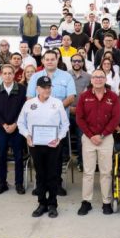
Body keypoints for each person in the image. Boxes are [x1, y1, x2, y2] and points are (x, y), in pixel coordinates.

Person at [18, 75, 70, 218]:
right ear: (37, 89)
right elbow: (20, 123)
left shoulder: (57, 103)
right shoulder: (29, 104)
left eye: (49, 87)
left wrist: (59, 138)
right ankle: (42, 203)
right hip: (35, 144)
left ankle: (53, 204)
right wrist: (27, 135)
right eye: (44, 87)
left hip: (53, 145)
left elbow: (65, 124)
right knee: (40, 174)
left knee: (52, 175)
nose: (47, 90)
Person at [75, 69, 120, 216]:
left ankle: (106, 202)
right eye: (95, 77)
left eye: (101, 77)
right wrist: (91, 135)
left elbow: (115, 119)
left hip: (106, 138)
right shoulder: (84, 96)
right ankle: (86, 202)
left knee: (106, 172)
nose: (98, 79)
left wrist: (102, 135)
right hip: (88, 138)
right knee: (88, 172)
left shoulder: (113, 97)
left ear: (105, 79)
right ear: (91, 80)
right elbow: (79, 118)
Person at [0, 64, 28, 195]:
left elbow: (24, 109)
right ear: (1, 75)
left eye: (9, 73)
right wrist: (3, 124)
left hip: (17, 128)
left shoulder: (22, 90)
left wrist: (15, 124)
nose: (7, 76)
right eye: (4, 73)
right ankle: (2, 183)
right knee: (2, 156)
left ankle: (19, 183)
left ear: (14, 75)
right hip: (1, 128)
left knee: (18, 156)